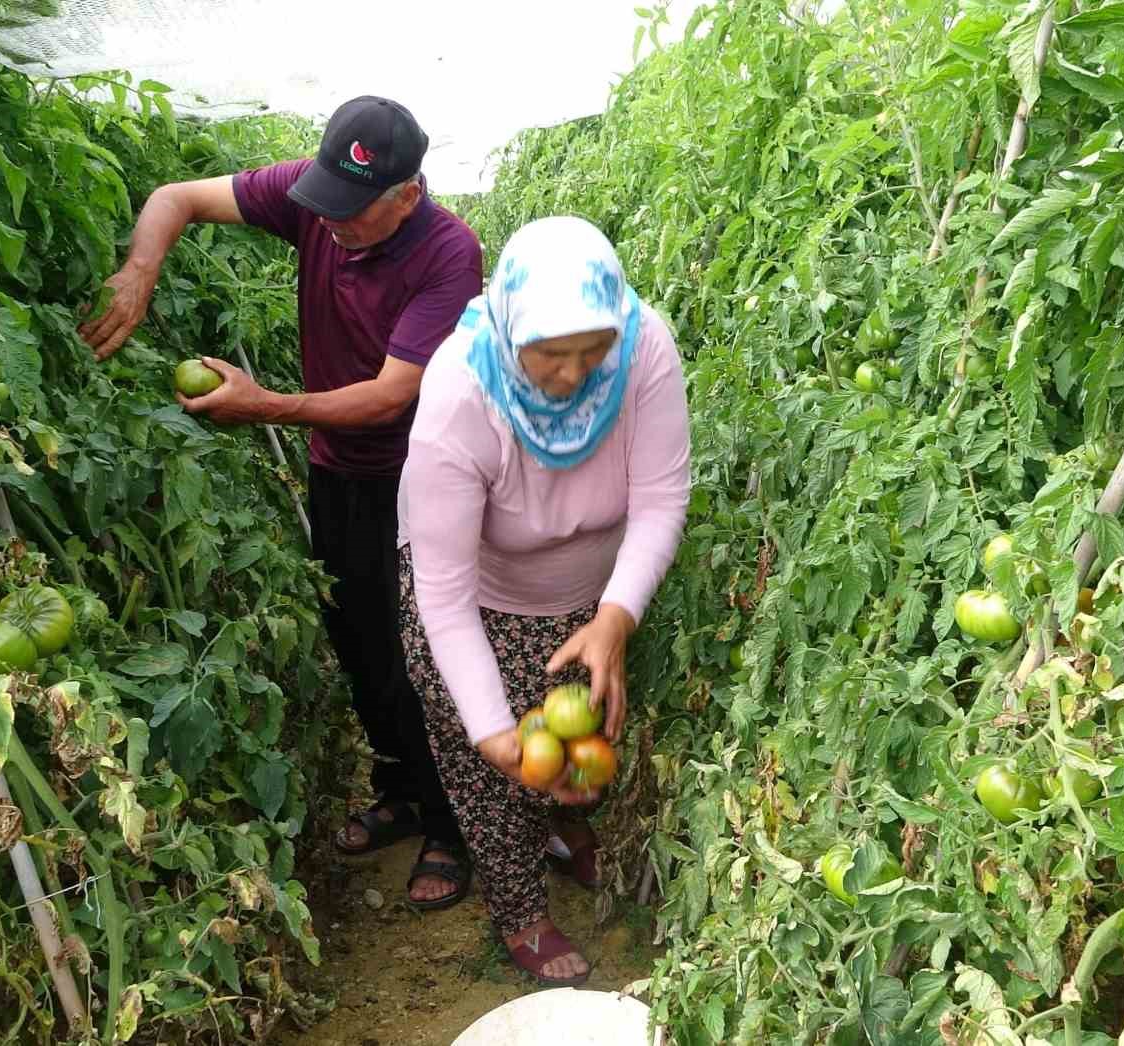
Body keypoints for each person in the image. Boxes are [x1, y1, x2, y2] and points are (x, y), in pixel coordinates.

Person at [78, 96, 482, 910]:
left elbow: (389, 396)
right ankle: (400, 790)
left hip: (420, 478)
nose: (330, 224)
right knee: (359, 637)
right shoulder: (319, 197)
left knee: (424, 655)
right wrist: (139, 273)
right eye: (326, 202)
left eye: (353, 211)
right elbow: (176, 198)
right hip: (338, 471)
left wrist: (263, 405)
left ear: (407, 194)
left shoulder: (448, 253)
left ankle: (453, 824)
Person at [399, 216, 691, 985]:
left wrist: (615, 617)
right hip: (478, 606)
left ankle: (564, 830)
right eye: (551, 356)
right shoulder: (461, 394)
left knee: (579, 741)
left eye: (592, 354)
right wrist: (493, 733)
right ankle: (520, 911)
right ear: (509, 331)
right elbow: (445, 595)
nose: (574, 376)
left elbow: (660, 497)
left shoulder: (642, 345)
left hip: (588, 601)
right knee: (495, 776)